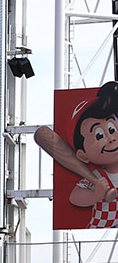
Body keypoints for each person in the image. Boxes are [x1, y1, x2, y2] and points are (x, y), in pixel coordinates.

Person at [35, 81, 118, 228]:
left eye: (112, 129)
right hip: (101, 227)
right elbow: (75, 197)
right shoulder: (98, 177)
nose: (111, 137)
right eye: (99, 135)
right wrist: (95, 195)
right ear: (83, 156)